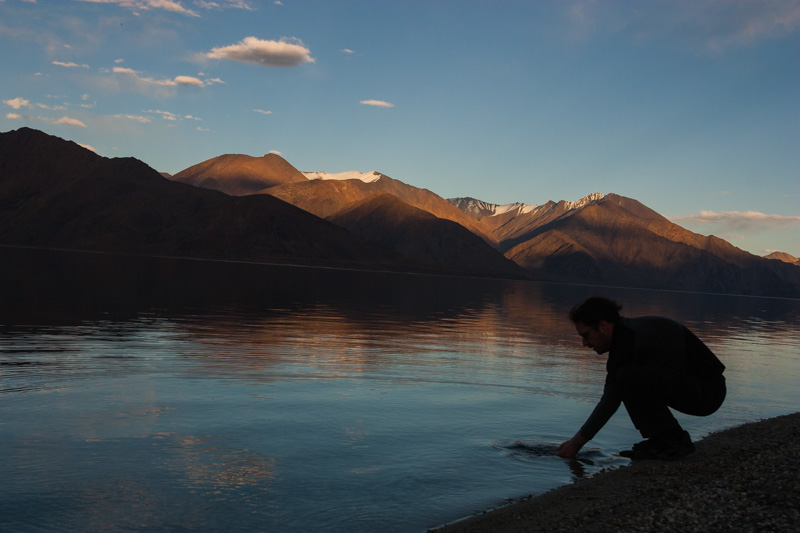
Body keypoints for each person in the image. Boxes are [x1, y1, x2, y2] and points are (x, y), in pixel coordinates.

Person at [557, 296, 726, 460]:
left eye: (586, 335)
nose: (584, 343)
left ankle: (674, 442)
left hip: (707, 392)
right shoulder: (626, 338)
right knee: (626, 379)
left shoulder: (630, 340)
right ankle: (662, 440)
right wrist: (575, 442)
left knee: (627, 378)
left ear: (603, 326)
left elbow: (611, 399)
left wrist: (576, 444)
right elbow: (611, 393)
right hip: (697, 387)